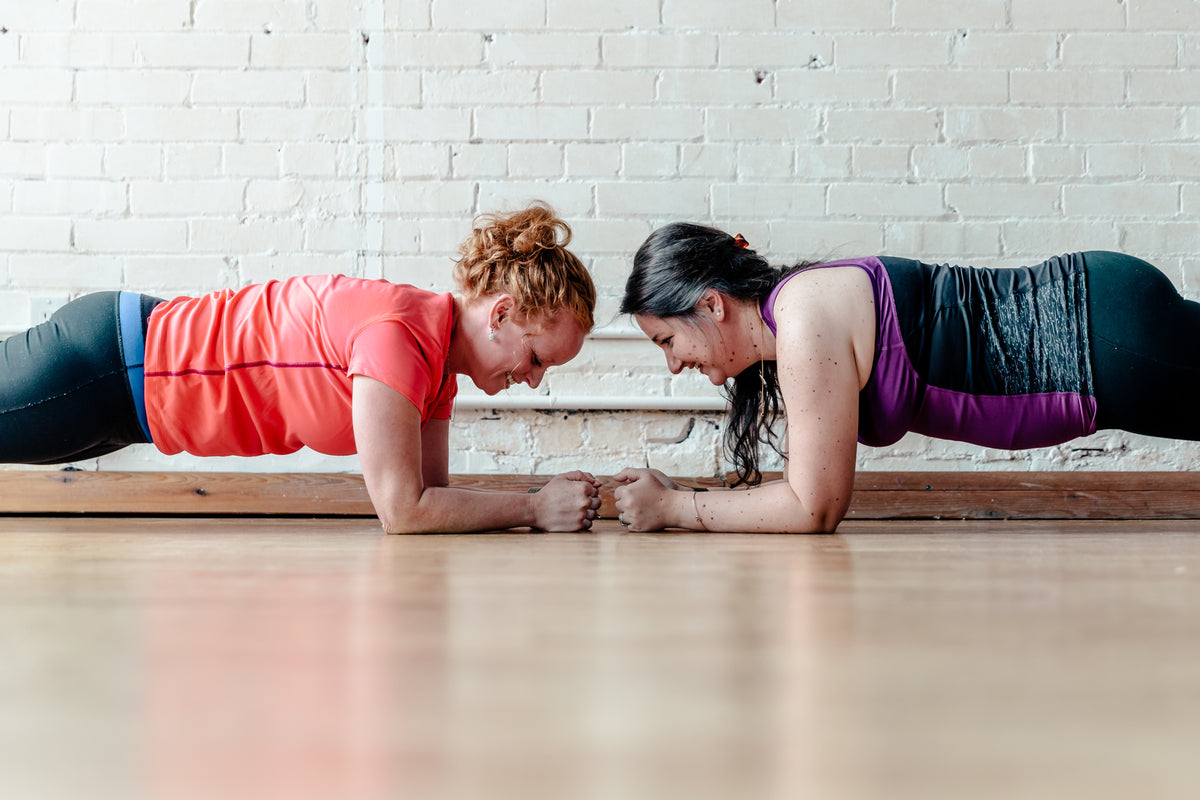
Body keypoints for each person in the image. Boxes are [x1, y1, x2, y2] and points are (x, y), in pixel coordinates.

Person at [0, 204, 602, 533]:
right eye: (536, 357)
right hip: (106, 366)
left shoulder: (437, 367)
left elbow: (433, 499)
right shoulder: (397, 337)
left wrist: (562, 496)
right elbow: (403, 511)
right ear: (500, 313)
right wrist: (532, 508)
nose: (533, 379)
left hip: (126, 406)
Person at [612, 222, 1200, 533]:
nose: (672, 362)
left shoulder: (802, 317)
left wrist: (676, 508)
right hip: (1103, 331)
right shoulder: (796, 309)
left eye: (667, 340)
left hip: (1096, 335)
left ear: (712, 305)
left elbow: (811, 509)